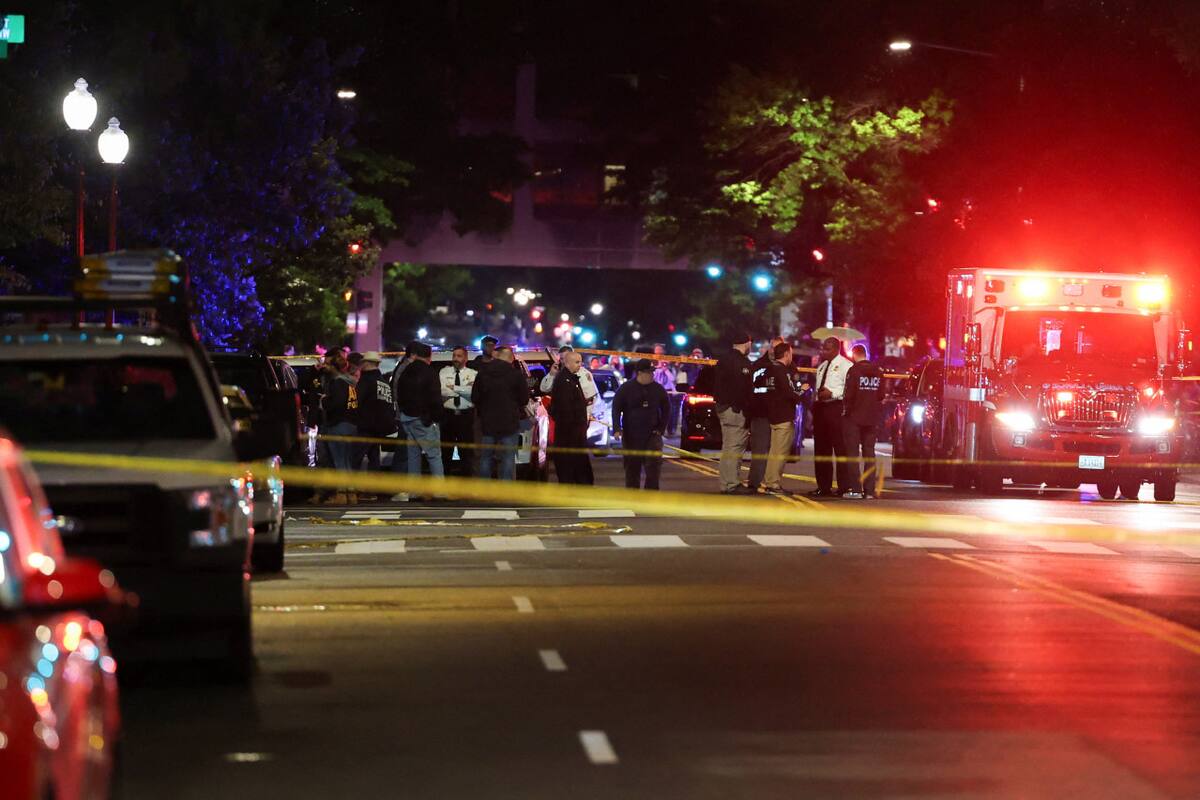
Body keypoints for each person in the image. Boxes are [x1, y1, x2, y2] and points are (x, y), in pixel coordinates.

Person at [471, 345, 529, 480]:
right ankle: (506, 489)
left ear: (498, 355)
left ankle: (484, 488)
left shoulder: (483, 373)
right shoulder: (516, 375)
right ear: (511, 357)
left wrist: (483, 409)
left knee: (486, 457)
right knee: (507, 457)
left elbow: (475, 397)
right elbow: (524, 399)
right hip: (509, 423)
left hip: (487, 422)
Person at [611, 358, 670, 489]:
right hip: (631, 435)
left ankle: (651, 496)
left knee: (653, 468)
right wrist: (616, 428)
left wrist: (661, 428)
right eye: (649, 372)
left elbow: (666, 408)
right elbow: (616, 408)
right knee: (632, 468)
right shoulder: (626, 389)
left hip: (652, 435)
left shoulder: (658, 389)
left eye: (652, 372)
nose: (652, 375)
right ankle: (633, 496)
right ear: (639, 373)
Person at [809, 337, 854, 498]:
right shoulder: (821, 367)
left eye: (827, 349)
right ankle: (823, 486)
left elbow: (849, 390)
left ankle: (844, 486)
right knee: (821, 449)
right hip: (821, 409)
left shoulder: (846, 365)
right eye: (823, 348)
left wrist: (833, 393)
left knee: (840, 448)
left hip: (836, 408)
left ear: (836, 349)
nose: (823, 351)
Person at [395, 342, 444, 488]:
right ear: (429, 356)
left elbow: (399, 394)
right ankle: (439, 491)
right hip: (423, 420)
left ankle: (414, 491)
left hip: (407, 418)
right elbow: (435, 398)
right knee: (434, 455)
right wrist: (435, 417)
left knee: (413, 456)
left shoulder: (405, 371)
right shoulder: (429, 372)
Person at [842, 344, 885, 499]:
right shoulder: (878, 372)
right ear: (866, 354)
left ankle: (855, 489)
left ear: (854, 354)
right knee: (869, 455)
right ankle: (869, 491)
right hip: (872, 418)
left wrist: (846, 410)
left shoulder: (853, 371)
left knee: (853, 454)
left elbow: (849, 395)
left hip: (854, 417)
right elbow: (881, 395)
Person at [713, 332, 754, 494]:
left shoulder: (722, 360)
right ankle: (731, 484)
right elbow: (743, 390)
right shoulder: (742, 363)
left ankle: (727, 483)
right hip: (735, 410)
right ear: (747, 343)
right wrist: (743, 408)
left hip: (723, 408)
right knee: (734, 448)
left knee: (728, 447)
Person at [353, 352, 397, 498]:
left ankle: (352, 490)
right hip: (379, 427)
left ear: (367, 363)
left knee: (355, 458)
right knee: (374, 459)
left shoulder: (366, 381)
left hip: (366, 425)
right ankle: (373, 491)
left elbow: (356, 401)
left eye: (363, 363)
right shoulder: (383, 381)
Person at [762, 342, 805, 494]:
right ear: (786, 354)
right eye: (791, 353)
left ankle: (769, 481)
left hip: (773, 414)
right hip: (784, 416)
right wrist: (802, 391)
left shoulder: (770, 370)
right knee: (780, 452)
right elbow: (790, 393)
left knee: (774, 452)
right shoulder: (783, 371)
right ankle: (773, 484)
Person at [549, 350, 594, 484]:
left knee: (575, 460)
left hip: (575, 430)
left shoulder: (572, 378)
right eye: (576, 362)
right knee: (569, 461)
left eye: (580, 362)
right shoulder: (564, 380)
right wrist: (574, 428)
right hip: (569, 432)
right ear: (567, 363)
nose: (580, 365)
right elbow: (565, 407)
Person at [322, 352, 360, 505]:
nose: (325, 367)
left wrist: (324, 401)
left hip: (338, 424)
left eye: (328, 364)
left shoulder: (337, 382)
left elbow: (336, 404)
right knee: (346, 461)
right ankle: (351, 494)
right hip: (351, 424)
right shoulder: (351, 382)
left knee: (339, 462)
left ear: (334, 367)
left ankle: (341, 494)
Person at [439, 346, 478, 477]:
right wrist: (463, 389)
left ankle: (466, 484)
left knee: (466, 453)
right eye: (454, 355)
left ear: (466, 358)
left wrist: (453, 387)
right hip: (447, 416)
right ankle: (445, 482)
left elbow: (473, 392)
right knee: (446, 452)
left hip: (465, 417)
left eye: (459, 356)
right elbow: (442, 391)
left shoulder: (473, 374)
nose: (455, 358)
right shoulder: (444, 372)